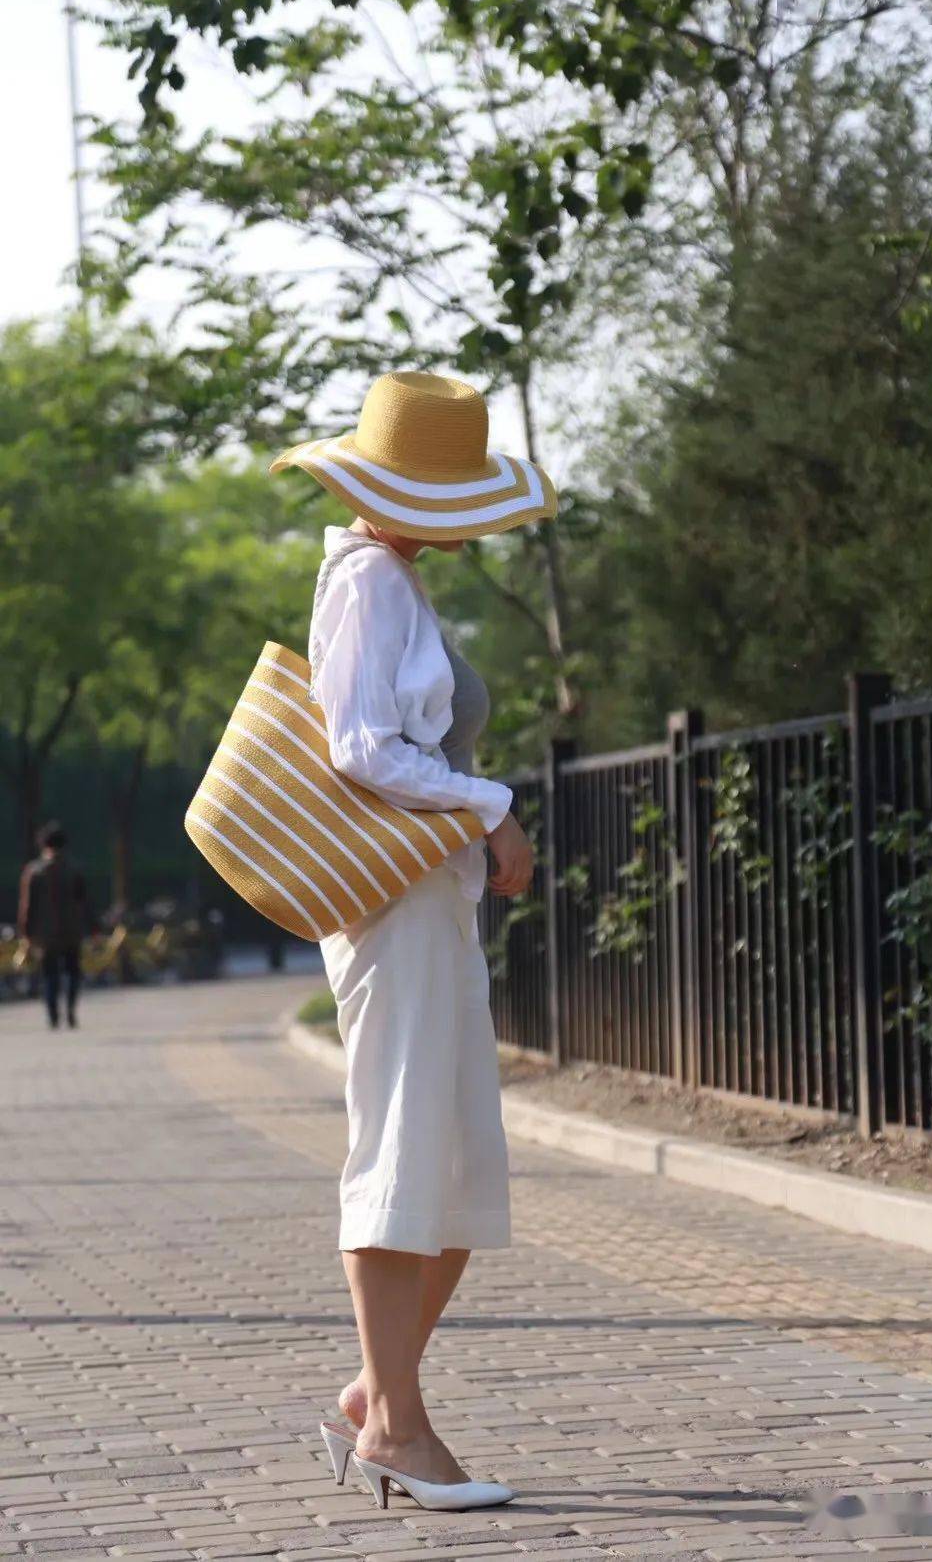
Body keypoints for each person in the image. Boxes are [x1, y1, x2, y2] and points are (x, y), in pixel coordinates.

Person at [269, 371, 557, 1512]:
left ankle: (373, 1390)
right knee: (400, 1153)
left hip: (425, 906)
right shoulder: (373, 582)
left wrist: (474, 819)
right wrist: (491, 804)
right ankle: (397, 1422)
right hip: (394, 911)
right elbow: (362, 750)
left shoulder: (387, 578)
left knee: (457, 1169)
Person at [17, 821, 92, 1029]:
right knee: (73, 972)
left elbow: (27, 906)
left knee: (50, 975)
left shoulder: (34, 871)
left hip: (45, 934)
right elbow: (84, 902)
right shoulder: (74, 869)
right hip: (71, 930)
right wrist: (92, 927)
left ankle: (53, 1016)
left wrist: (25, 932)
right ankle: (70, 1010)